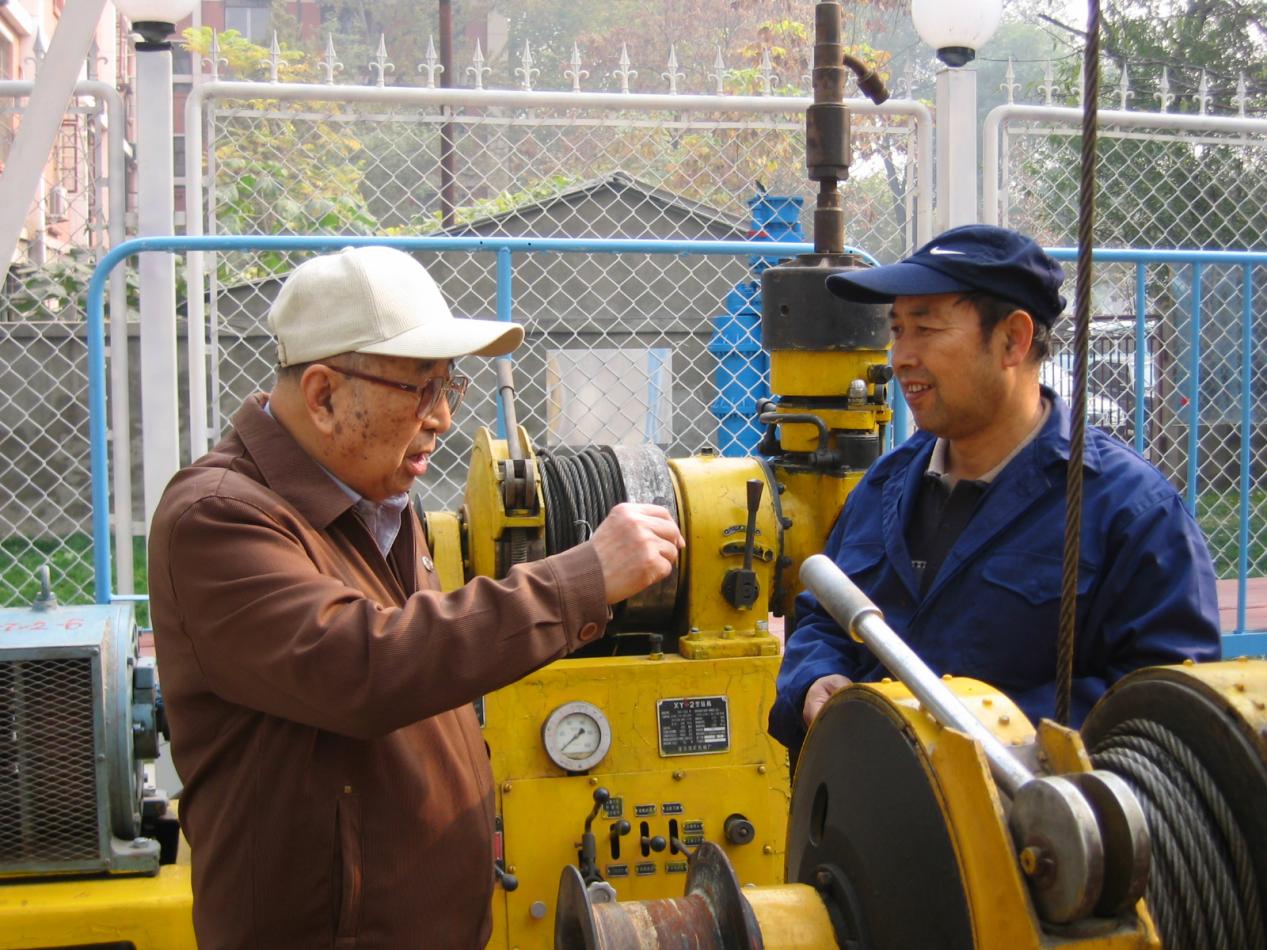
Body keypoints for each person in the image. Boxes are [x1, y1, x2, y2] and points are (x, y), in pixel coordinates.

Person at [148, 245, 685, 949]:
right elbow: (361, 667)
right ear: (323, 395)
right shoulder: (218, 519)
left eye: (448, 387)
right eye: (419, 390)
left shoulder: (377, 501)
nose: (442, 418)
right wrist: (582, 579)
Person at [768, 225, 1221, 754]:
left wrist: (975, 734)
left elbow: (1169, 707)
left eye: (926, 329)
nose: (901, 356)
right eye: (897, 330)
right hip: (870, 795)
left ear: (1012, 340)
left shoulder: (1129, 512)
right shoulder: (885, 485)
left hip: (1024, 804)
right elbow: (823, 620)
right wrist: (814, 680)